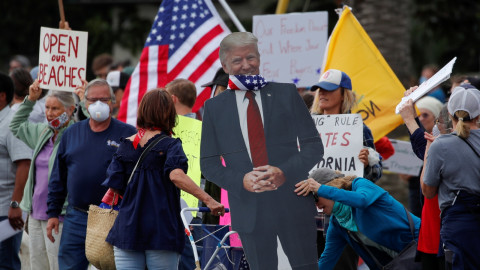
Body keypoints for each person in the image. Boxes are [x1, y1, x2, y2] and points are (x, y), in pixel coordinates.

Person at [200, 32, 324, 270]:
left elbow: (314, 146)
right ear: (225, 65)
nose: (246, 65)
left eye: (251, 57)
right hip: (249, 210)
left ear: (259, 58)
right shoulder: (214, 108)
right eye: (237, 60)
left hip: (293, 203)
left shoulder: (287, 93)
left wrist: (283, 172)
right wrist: (241, 181)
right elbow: (208, 164)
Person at [102, 88, 224, 269]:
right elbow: (176, 175)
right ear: (169, 113)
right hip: (162, 230)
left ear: (142, 111)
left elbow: (115, 185)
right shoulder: (171, 145)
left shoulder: (125, 145)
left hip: (128, 229)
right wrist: (209, 200)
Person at [46, 79, 136, 270]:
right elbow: (58, 177)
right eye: (93, 99)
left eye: (103, 99)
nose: (98, 104)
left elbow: (137, 177)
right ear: (85, 103)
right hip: (77, 217)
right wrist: (53, 212)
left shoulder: (128, 134)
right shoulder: (71, 133)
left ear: (112, 102)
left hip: (113, 217)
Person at [310, 69, 382, 269]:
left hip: (343, 216)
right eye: (319, 90)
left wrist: (367, 164)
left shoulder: (358, 129)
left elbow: (375, 175)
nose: (322, 94)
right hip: (307, 215)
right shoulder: (306, 127)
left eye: (329, 89)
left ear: (344, 94)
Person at [9, 79, 78, 270]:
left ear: (70, 109)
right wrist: (30, 99)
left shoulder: (76, 135)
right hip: (36, 212)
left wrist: (86, 103)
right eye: (47, 107)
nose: (49, 113)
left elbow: (93, 129)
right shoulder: (43, 132)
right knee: (38, 266)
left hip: (60, 214)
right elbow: (16, 125)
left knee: (58, 265)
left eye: (55, 108)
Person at [295, 168, 421, 270]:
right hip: (400, 264)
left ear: (331, 187)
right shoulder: (337, 223)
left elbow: (362, 200)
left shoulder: (360, 184)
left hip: (422, 247)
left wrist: (321, 189)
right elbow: (327, 261)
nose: (315, 205)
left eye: (315, 198)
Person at [422, 85, 480, 269]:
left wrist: (428, 152)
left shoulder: (440, 146)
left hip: (459, 228)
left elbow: (428, 191)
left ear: (449, 112)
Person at [0, 72, 32, 270]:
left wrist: (15, 204)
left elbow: (24, 164)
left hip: (6, 211)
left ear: (2, 95)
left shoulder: (12, 124)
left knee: (6, 264)